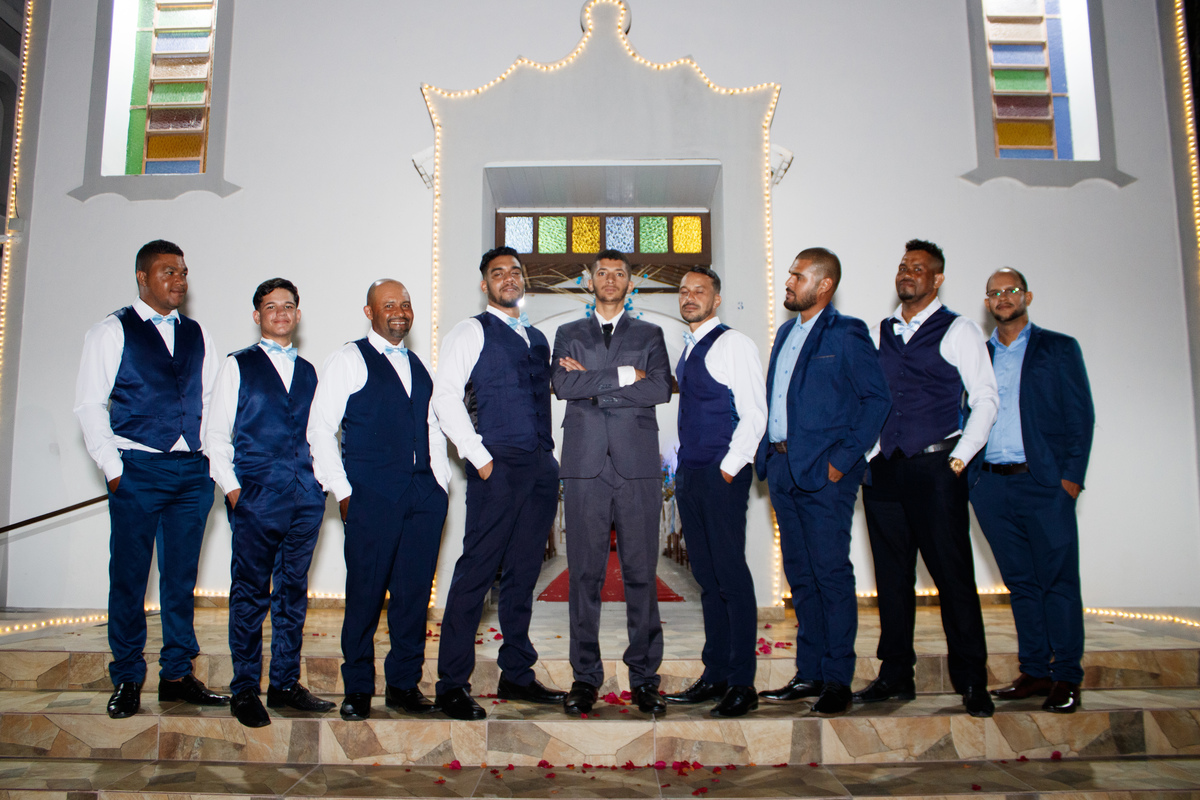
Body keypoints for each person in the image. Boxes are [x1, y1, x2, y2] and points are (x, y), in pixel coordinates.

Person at [74, 239, 228, 720]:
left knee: (180, 578)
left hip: (192, 472)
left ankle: (177, 674)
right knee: (129, 577)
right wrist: (114, 468)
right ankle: (126, 676)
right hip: (137, 469)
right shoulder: (111, 331)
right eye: (168, 272)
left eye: (182, 272)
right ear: (143, 277)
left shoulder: (198, 334)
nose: (179, 280)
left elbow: (214, 401)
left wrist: (212, 463)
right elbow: (89, 404)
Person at [857, 239, 999, 718]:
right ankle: (896, 674)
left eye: (918, 268)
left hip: (937, 467)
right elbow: (869, 398)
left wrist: (959, 458)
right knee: (891, 578)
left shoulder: (958, 329)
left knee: (952, 577)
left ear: (937, 280)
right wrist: (869, 453)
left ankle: (972, 680)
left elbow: (985, 398)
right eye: (903, 266)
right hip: (884, 472)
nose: (907, 273)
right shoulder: (881, 331)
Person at [755, 248, 891, 716]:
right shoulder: (786, 333)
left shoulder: (847, 333)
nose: (788, 282)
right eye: (790, 275)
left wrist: (842, 461)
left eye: (797, 276)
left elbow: (876, 400)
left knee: (830, 574)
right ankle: (809, 672)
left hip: (825, 476)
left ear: (824, 285)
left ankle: (837, 680)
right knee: (801, 575)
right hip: (782, 470)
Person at [432, 246, 566, 720]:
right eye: (497, 273)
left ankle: (517, 673)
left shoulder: (537, 338)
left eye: (514, 271)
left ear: (523, 279)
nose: (508, 278)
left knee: (523, 574)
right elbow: (445, 398)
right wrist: (481, 458)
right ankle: (451, 683)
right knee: (476, 572)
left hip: (540, 469)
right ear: (484, 283)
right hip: (497, 467)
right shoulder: (471, 331)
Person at [307, 279, 450, 721]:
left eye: (405, 304)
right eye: (388, 305)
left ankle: (404, 685)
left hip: (422, 498)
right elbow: (320, 429)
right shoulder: (348, 359)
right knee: (365, 596)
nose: (399, 312)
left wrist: (440, 483)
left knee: (413, 597)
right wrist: (344, 490)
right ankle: (358, 688)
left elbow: (431, 427)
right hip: (370, 496)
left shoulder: (419, 365)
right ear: (369, 312)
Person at [205, 278, 333, 727]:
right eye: (271, 306)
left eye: (288, 305)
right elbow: (215, 436)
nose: (281, 312)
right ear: (257, 315)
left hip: (305, 499)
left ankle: (284, 684)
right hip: (256, 498)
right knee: (250, 593)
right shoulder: (237, 365)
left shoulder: (311, 371)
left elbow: (322, 434)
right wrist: (235, 492)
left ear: (298, 314)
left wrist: (321, 485)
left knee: (293, 592)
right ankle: (244, 689)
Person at [552, 249, 672, 716]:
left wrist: (593, 383)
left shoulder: (650, 333)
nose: (609, 278)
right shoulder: (568, 333)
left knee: (641, 573)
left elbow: (659, 388)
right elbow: (563, 387)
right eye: (601, 272)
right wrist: (625, 376)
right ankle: (585, 677)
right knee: (584, 575)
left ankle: (644, 678)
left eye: (618, 273)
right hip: (584, 465)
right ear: (589, 280)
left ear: (630, 283)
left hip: (636, 464)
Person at [970, 268, 1094, 714]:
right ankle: (1035, 670)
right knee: (1021, 583)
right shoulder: (978, 355)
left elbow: (1080, 416)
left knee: (1058, 581)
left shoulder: (1058, 348)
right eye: (994, 293)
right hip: (991, 486)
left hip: (1045, 486)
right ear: (987, 302)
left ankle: (1067, 676)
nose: (1002, 298)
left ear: (1027, 296)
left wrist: (1070, 479)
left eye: (1011, 290)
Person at [665, 267, 767, 718]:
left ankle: (742, 683)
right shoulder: (689, 348)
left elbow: (755, 414)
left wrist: (727, 469)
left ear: (716, 299)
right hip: (691, 474)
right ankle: (717, 673)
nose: (689, 297)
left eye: (699, 291)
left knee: (731, 577)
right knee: (707, 579)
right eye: (684, 291)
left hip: (720, 475)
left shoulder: (734, 344)